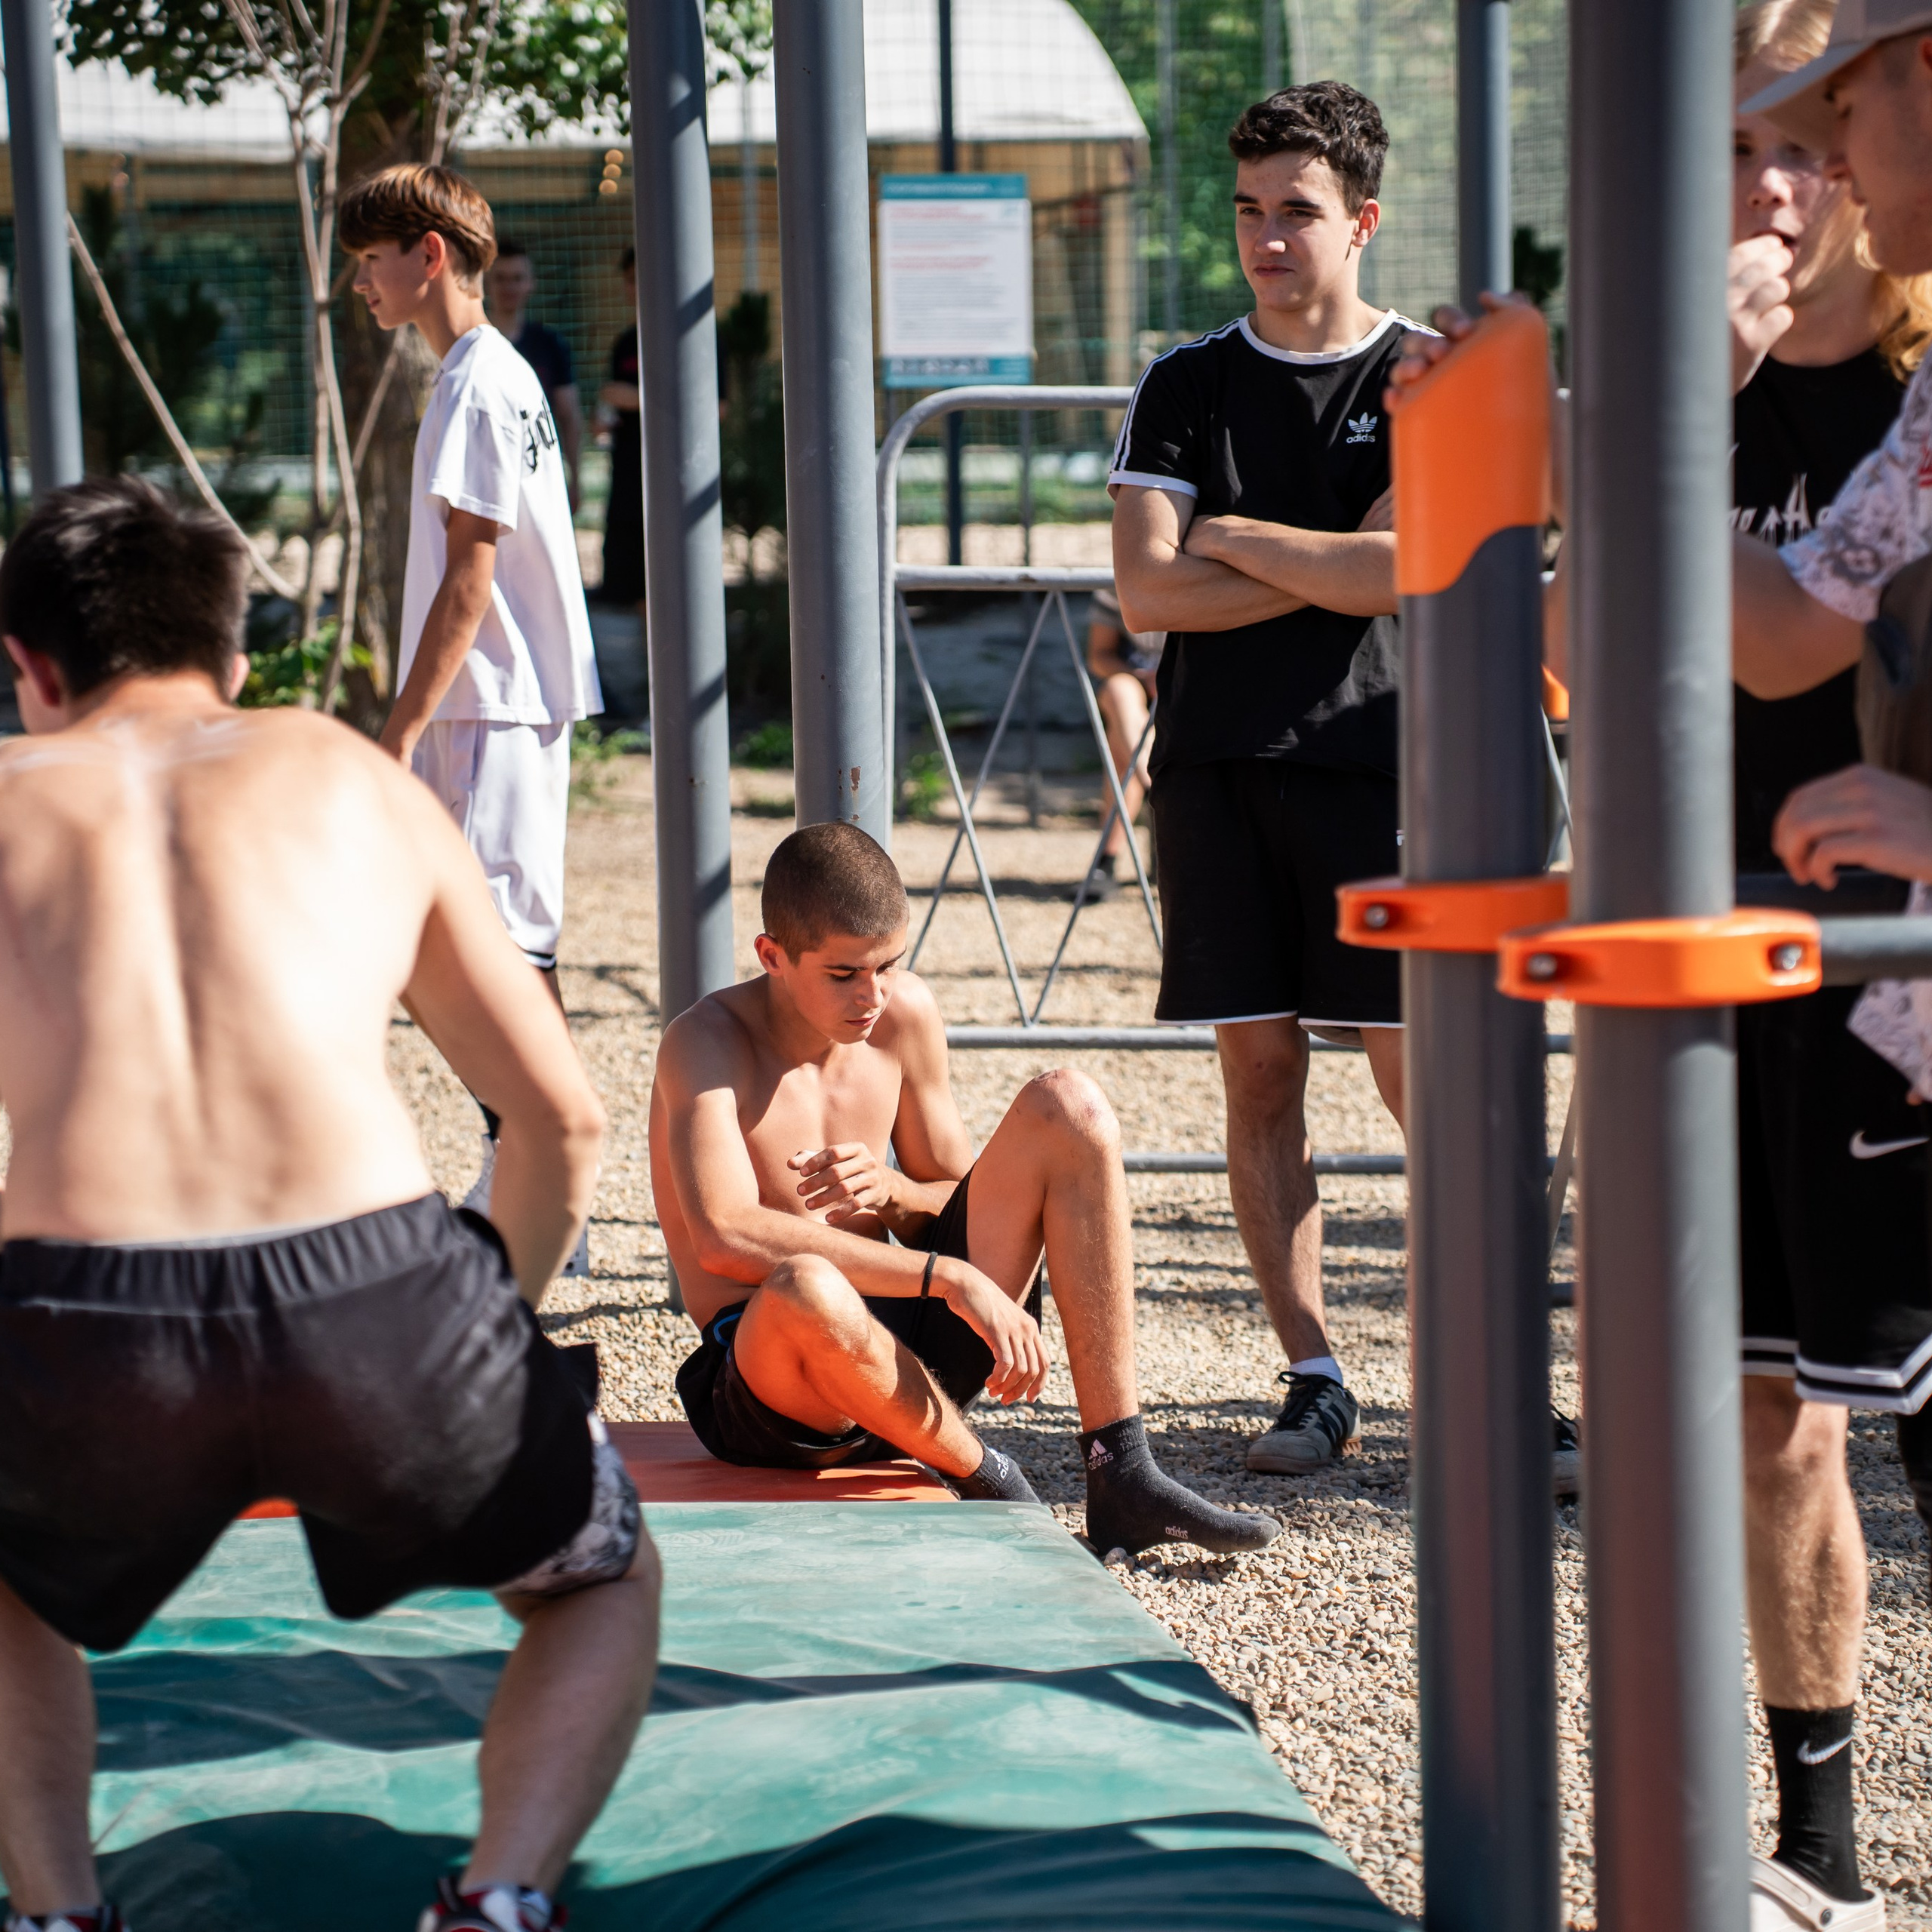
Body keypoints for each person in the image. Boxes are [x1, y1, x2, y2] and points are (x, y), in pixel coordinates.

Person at [1394, 10, 1932, 1925]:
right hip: (1692, 949)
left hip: (1884, 963)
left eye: (1812, 135)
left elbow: (1796, 638)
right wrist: (1667, 404)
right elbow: (1554, 641)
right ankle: (1816, 1842)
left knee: (1888, 1397)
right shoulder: (1665, 388)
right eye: (1736, 151)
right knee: (1757, 1407)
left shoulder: (1913, 377)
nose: (1783, 182)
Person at [0, 478, 655, 1932]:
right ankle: (497, 1902)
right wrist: (492, 1334)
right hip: (380, 1297)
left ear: (31, 668)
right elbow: (563, 1117)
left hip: (85, 1311)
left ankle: (56, 1913)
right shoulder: (355, 778)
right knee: (596, 1573)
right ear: (234, 655)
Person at [648, 821, 1280, 1561]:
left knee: (1067, 1105)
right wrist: (946, 1276)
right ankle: (991, 1479)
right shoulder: (704, 1043)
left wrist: (895, 1195)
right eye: (844, 973)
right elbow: (723, 1234)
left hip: (909, 1346)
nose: (873, 995)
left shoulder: (902, 1014)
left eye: (889, 964)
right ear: (772, 956)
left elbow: (949, 1191)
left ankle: (1123, 1472)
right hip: (778, 1389)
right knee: (805, 1284)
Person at [1108, 81, 1412, 1476]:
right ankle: (1315, 1375)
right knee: (1260, 1080)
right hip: (1219, 775)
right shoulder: (1186, 379)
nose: (1266, 237)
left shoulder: (1421, 377)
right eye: (1247, 210)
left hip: (1383, 769)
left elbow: (1403, 567)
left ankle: (1494, 1381)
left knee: (1436, 1094)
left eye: (1296, 210)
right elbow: (1147, 593)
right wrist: (1318, 559)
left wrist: (1231, 535)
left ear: (1361, 218)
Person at [343, 164, 603, 1278]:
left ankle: (538, 1178)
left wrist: (398, 733)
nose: (360, 282)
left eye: (370, 259)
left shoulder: (473, 384)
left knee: (500, 951)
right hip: (496, 704)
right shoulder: (488, 374)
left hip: (490, 708)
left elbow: (470, 577)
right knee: (500, 948)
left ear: (428, 255)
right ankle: (535, 1173)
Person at [1077, 586, 1163, 903]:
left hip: (1196, 683)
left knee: (1120, 746)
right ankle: (1157, 786)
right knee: (1118, 693)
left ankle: (1107, 860)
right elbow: (1099, 656)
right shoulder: (1116, 582)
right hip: (1137, 683)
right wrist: (1141, 674)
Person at [485, 238, 584, 510]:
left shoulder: (550, 345)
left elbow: (569, 415)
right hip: (485, 476)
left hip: (537, 475)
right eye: (501, 278)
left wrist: (575, 478)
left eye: (518, 278)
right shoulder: (474, 344)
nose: (510, 287)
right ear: (487, 284)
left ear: (531, 283)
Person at [597, 248, 646, 608]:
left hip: (674, 484)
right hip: (627, 475)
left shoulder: (699, 337)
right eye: (631, 280)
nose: (638, 287)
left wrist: (639, 398)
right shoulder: (625, 343)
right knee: (622, 589)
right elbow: (609, 405)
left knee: (662, 589)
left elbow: (717, 408)